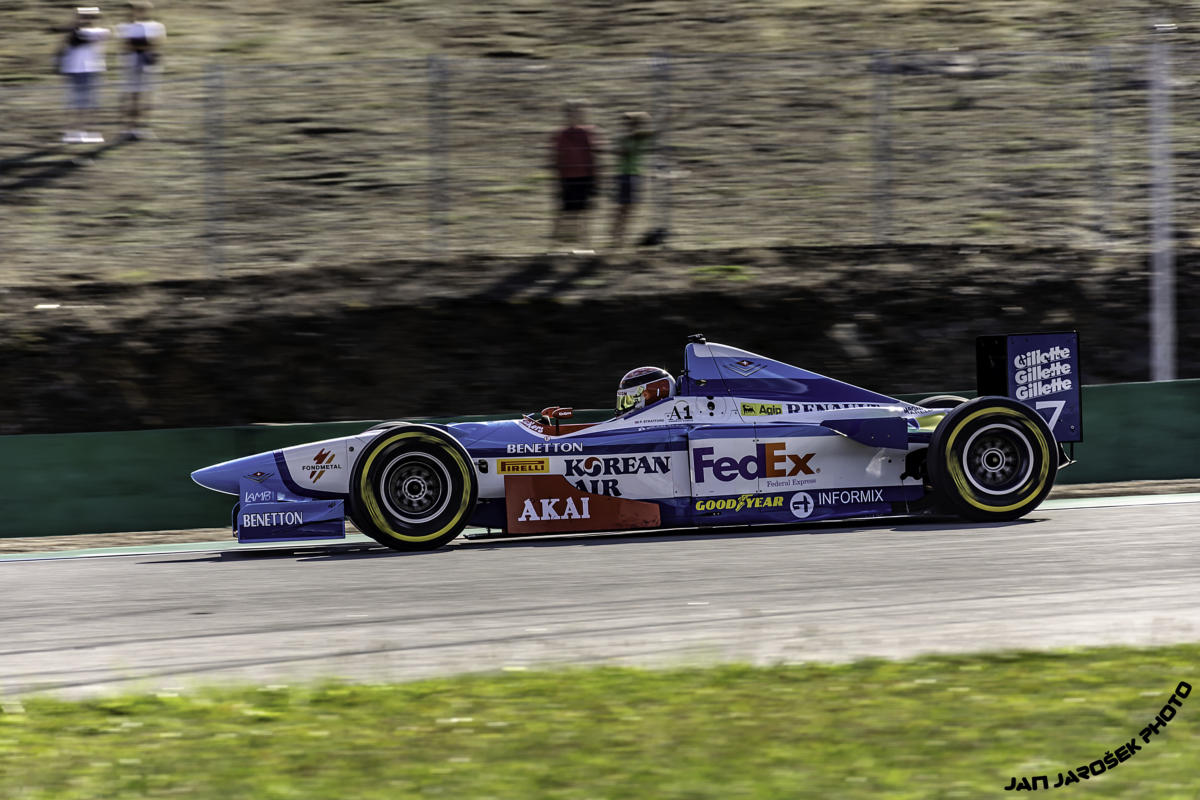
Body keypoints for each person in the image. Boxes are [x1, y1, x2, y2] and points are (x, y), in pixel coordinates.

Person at [550, 99, 601, 251]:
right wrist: (557, 180)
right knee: (564, 213)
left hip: (585, 177)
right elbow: (557, 158)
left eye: (579, 112)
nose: (576, 115)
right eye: (572, 112)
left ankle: (585, 247)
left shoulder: (588, 132)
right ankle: (553, 248)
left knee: (584, 213)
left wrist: (595, 180)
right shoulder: (561, 134)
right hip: (567, 177)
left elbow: (593, 156)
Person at [57, 7, 111, 143]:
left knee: (87, 103)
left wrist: (90, 17)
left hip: (90, 70)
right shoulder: (75, 33)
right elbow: (75, 37)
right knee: (75, 102)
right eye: (84, 17)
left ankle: (81, 130)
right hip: (76, 70)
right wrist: (77, 19)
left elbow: (103, 33)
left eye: (89, 17)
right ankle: (72, 130)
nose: (86, 20)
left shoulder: (98, 31)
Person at [116, 0, 165, 140]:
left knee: (148, 97)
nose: (142, 12)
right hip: (131, 64)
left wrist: (138, 44)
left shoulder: (156, 26)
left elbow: (158, 43)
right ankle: (129, 128)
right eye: (139, 9)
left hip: (149, 64)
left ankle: (144, 127)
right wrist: (145, 44)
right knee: (132, 97)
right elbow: (125, 45)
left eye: (145, 9)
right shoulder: (125, 26)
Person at [610, 111, 654, 249]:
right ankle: (616, 236)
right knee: (624, 208)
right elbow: (622, 153)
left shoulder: (639, 138)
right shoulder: (625, 138)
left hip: (635, 176)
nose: (628, 126)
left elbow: (656, 131)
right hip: (626, 175)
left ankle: (618, 236)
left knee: (629, 209)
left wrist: (644, 117)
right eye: (627, 124)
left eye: (631, 124)